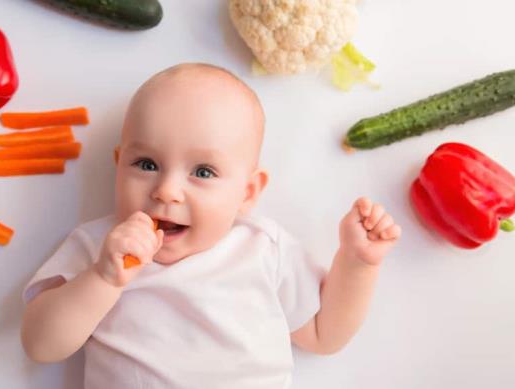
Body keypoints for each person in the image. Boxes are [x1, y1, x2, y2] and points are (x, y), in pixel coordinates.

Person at [20, 63, 402, 388]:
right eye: (147, 164)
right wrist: (103, 279)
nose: (167, 191)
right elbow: (41, 345)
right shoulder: (98, 247)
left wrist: (358, 265)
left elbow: (323, 334)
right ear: (118, 164)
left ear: (247, 192)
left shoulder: (262, 248)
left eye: (203, 171)